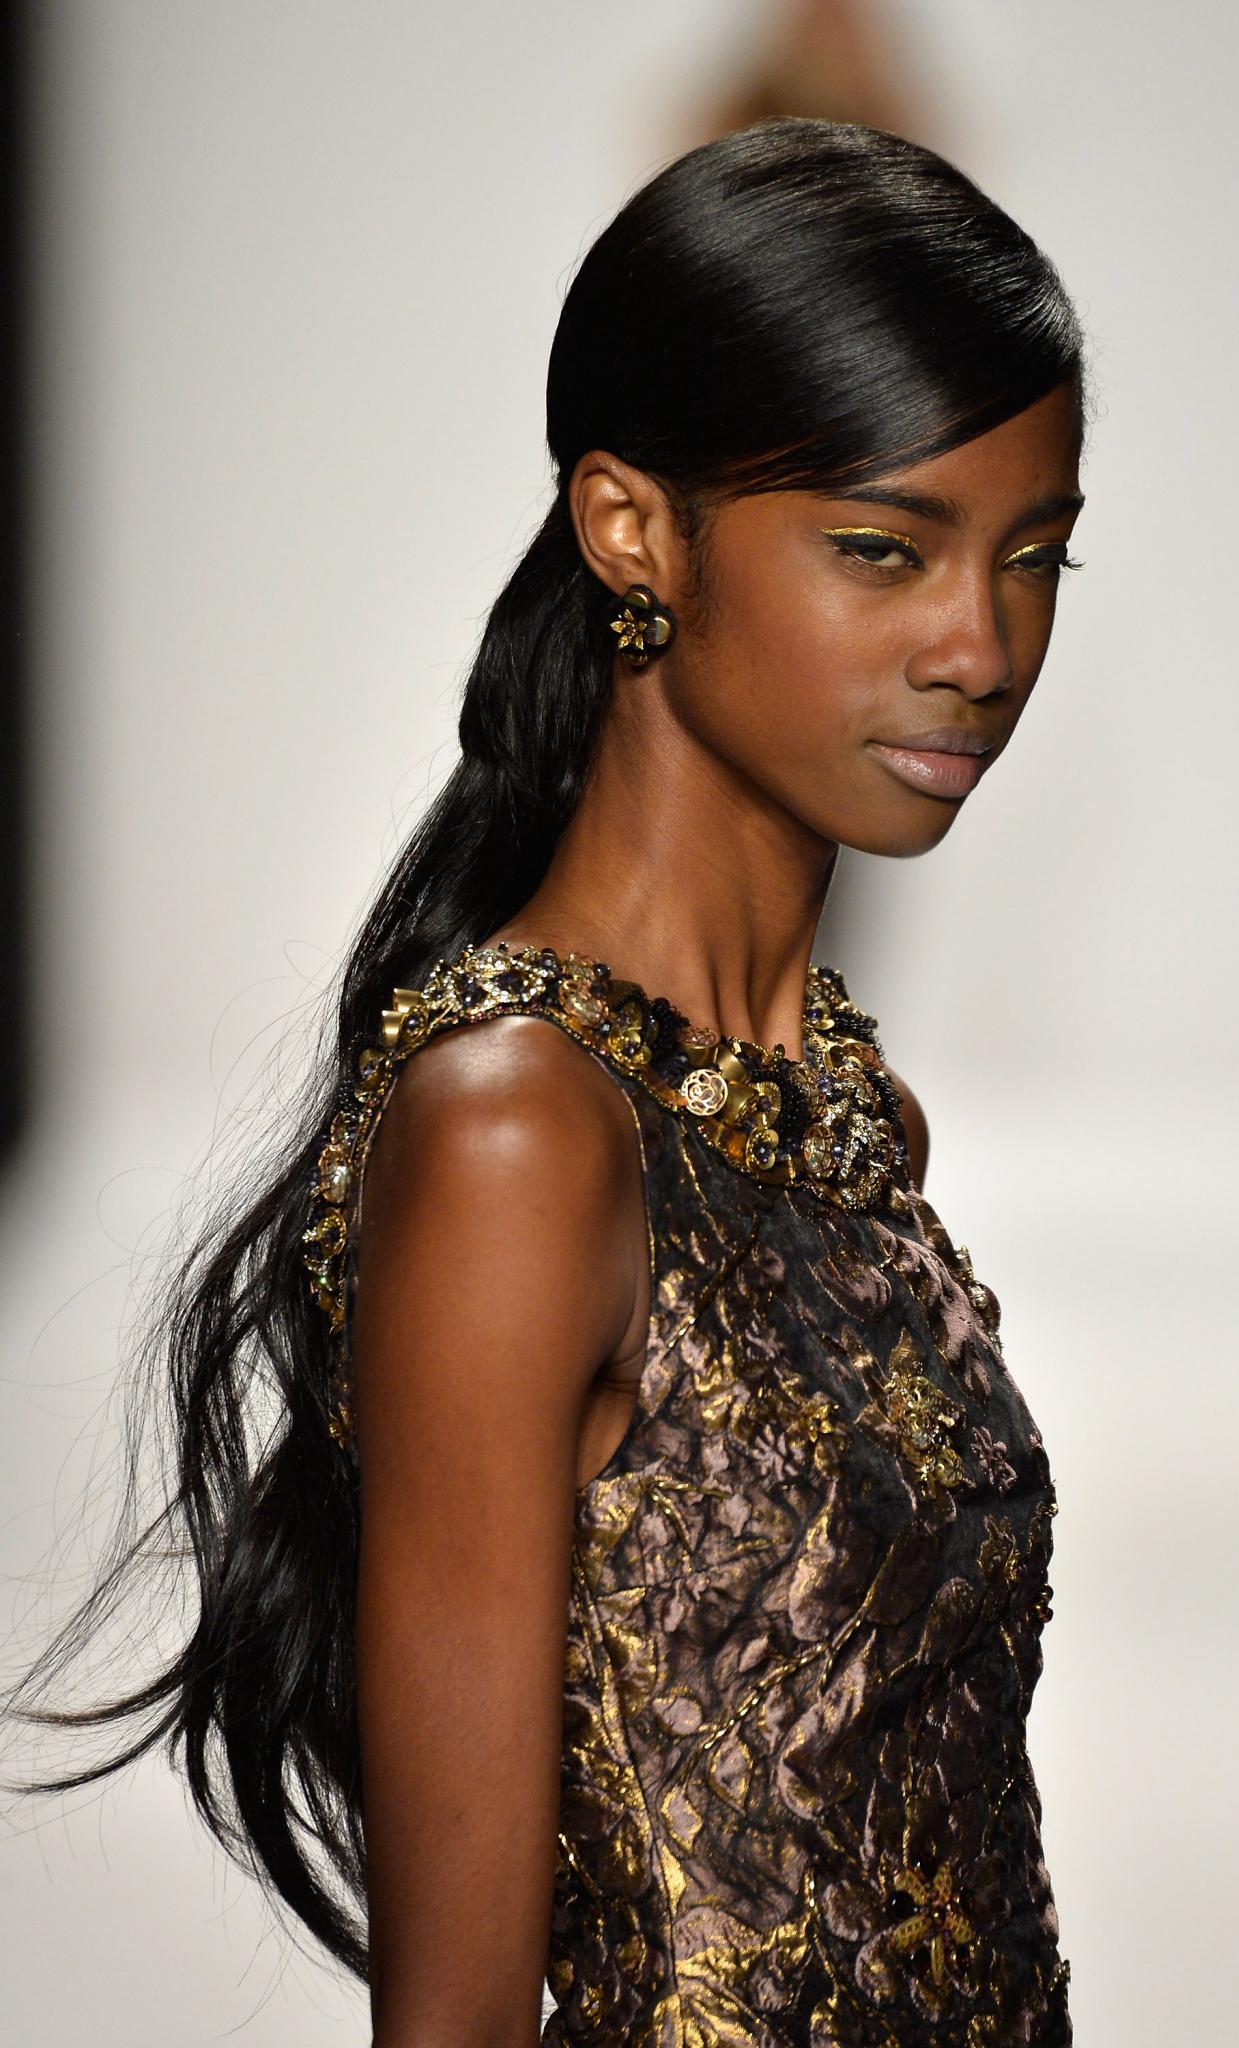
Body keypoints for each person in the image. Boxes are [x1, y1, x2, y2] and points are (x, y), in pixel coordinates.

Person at [7, 117, 1089, 2045]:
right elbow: (454, 2018)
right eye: (882, 549)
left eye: (1034, 555)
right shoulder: (520, 1135)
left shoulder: (848, 1123)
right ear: (629, 529)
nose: (981, 645)